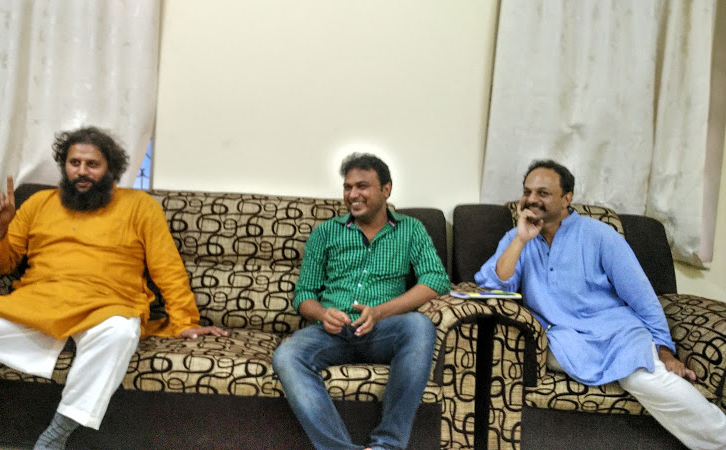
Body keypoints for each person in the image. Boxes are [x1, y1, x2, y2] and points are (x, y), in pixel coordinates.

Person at [0, 126, 228, 450]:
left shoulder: (140, 206)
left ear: (110, 168)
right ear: (65, 166)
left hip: (106, 307)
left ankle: (57, 433)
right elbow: (0, 264)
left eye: (93, 164)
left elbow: (168, 269)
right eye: (74, 163)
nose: (82, 171)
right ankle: (74, 347)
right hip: (39, 304)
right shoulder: (39, 203)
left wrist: (185, 322)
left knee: (122, 332)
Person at [475, 159, 726, 448]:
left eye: (543, 193)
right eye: (527, 192)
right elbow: (494, 287)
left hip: (616, 333)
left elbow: (642, 297)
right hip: (561, 340)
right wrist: (521, 239)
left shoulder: (600, 235)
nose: (532, 199)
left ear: (567, 198)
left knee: (643, 379)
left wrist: (665, 350)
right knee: (535, 350)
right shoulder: (516, 237)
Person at [272, 153, 451, 450]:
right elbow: (303, 295)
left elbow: (435, 279)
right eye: (348, 187)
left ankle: (387, 444)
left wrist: (380, 312)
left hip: (383, 331)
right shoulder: (325, 232)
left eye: (362, 186)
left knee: (419, 326)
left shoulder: (411, 229)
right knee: (287, 355)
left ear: (386, 189)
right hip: (331, 334)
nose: (352, 194)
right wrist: (323, 313)